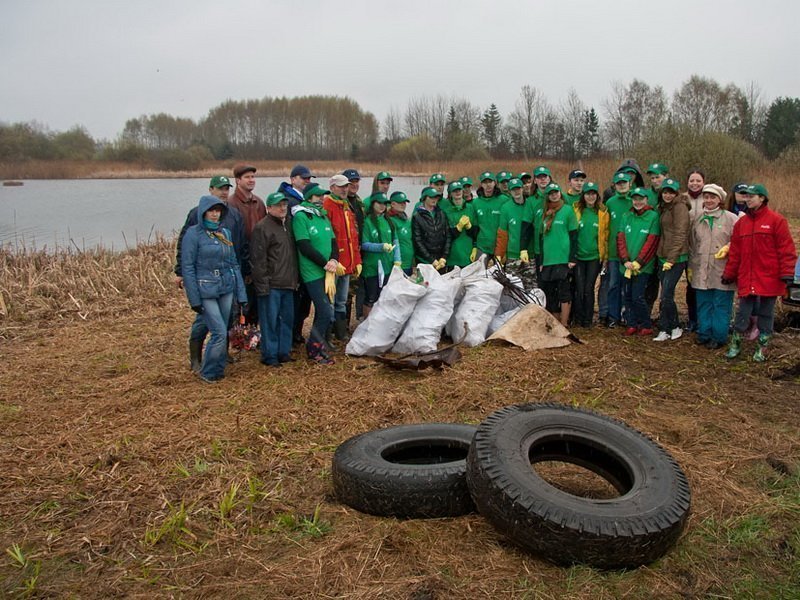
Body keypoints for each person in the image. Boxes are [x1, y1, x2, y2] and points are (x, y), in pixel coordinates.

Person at [174, 175, 247, 372]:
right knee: (204, 322)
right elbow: (185, 246)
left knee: (226, 321)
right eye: (220, 188)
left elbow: (239, 247)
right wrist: (180, 271)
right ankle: (197, 358)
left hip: (226, 279)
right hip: (205, 282)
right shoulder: (195, 216)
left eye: (226, 188)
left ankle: (219, 356)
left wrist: (240, 279)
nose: (224, 192)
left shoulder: (233, 215)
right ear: (211, 190)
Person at [723, 184, 797, 361]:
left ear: (762, 198)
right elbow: (735, 252)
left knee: (766, 312)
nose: (747, 200)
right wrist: (729, 273)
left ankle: (762, 346)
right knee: (743, 312)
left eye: (752, 196)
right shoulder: (742, 224)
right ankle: (736, 343)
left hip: (769, 275)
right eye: (746, 197)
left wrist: (787, 273)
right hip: (747, 276)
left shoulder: (776, 221)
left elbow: (786, 249)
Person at [291, 183, 339, 365]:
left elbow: (333, 242)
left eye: (322, 196)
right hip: (313, 272)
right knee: (325, 310)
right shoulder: (301, 217)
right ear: (309, 197)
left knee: (325, 311)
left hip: (328, 271)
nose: (321, 199)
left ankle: (319, 345)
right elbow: (304, 246)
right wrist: (324, 263)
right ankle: (313, 348)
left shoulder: (323, 216)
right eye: (318, 196)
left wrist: (334, 259)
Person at [250, 192, 299, 367]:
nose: (282, 208)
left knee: (287, 320)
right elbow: (258, 259)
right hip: (271, 284)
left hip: (289, 282)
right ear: (269, 208)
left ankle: (283, 351)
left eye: (284, 205)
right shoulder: (262, 228)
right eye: (278, 205)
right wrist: (262, 285)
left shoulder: (289, 225)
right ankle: (269, 354)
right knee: (269, 321)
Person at [688, 184, 739, 349]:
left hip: (722, 269)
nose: (709, 200)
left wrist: (729, 248)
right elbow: (692, 243)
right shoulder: (697, 218)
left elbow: (739, 243)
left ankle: (719, 336)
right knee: (704, 303)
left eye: (713, 197)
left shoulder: (731, 219)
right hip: (701, 268)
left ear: (720, 199)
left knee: (721, 304)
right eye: (706, 197)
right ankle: (704, 333)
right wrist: (691, 266)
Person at [323, 174, 362, 343]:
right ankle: (328, 333)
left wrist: (357, 260)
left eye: (346, 186)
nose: (345, 189)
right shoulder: (327, 206)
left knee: (342, 300)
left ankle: (341, 333)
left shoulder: (346, 206)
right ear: (332, 188)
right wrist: (330, 262)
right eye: (341, 186)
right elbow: (327, 239)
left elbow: (354, 237)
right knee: (330, 302)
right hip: (334, 264)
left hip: (347, 263)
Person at [617, 187, 660, 336]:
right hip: (626, 266)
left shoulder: (653, 216)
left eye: (641, 199)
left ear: (646, 200)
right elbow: (621, 239)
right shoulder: (626, 216)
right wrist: (625, 260)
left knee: (638, 296)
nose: (638, 202)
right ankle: (631, 323)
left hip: (643, 267)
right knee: (627, 296)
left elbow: (651, 242)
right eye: (635, 199)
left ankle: (646, 324)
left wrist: (639, 262)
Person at [652, 178, 690, 341]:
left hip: (676, 257)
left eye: (671, 192)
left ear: (676, 193)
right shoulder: (663, 208)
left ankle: (675, 325)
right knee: (665, 293)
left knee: (666, 294)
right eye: (665, 192)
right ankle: (665, 328)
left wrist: (672, 258)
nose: (668, 195)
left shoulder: (680, 207)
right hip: (663, 256)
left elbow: (680, 234)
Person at [228, 164, 266, 325]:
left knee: (258, 301)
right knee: (243, 303)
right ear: (238, 180)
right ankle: (239, 336)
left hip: (260, 260)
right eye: (247, 177)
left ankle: (254, 334)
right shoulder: (231, 204)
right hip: (242, 261)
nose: (251, 180)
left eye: (253, 177)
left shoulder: (259, 202)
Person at [539, 183, 578, 327]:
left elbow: (574, 236)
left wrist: (572, 258)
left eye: (556, 192)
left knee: (564, 292)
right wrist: (542, 260)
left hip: (563, 258)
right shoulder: (546, 213)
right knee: (551, 293)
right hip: (549, 259)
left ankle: (564, 323)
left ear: (560, 193)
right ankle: (555, 323)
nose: (554, 195)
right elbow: (542, 238)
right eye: (551, 193)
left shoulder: (568, 210)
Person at [572, 182, 609, 327]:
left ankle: (587, 320)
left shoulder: (602, 213)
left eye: (593, 194)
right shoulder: (576, 210)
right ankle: (578, 318)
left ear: (597, 196)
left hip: (594, 257)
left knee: (589, 288)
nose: (590, 196)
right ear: (583, 195)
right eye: (588, 194)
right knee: (579, 288)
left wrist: (605, 257)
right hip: (578, 256)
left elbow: (605, 236)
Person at [360, 192, 400, 315]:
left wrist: (397, 259)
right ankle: (367, 325)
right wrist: (381, 247)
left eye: (385, 203)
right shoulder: (367, 222)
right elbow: (364, 244)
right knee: (371, 297)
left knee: (385, 297)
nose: (382, 206)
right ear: (373, 204)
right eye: (379, 203)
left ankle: (380, 324)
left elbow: (395, 241)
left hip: (387, 265)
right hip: (372, 266)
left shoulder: (389, 221)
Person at [604, 171, 634, 328]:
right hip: (614, 253)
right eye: (619, 183)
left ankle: (627, 315)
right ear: (614, 186)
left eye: (624, 183)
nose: (622, 185)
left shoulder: (635, 201)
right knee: (613, 285)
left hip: (631, 254)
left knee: (628, 286)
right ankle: (613, 316)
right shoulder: (610, 203)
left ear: (630, 184)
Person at [343, 168, 367, 327]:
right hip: (344, 254)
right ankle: (340, 327)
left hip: (358, 252)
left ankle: (348, 324)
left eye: (356, 181)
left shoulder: (359, 202)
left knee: (354, 289)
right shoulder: (339, 202)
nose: (354, 184)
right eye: (350, 182)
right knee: (344, 293)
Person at [684, 168, 706, 332]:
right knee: (691, 285)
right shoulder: (682, 198)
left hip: (705, 248)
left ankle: (703, 317)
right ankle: (692, 319)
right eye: (692, 180)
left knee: (704, 284)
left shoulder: (709, 198)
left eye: (698, 180)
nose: (695, 183)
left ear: (703, 182)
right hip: (687, 248)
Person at [494, 178, 531, 264]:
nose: (516, 192)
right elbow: (502, 233)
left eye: (518, 189)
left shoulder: (530, 204)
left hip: (529, 254)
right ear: (510, 191)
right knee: (511, 278)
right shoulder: (505, 208)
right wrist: (499, 253)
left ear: (522, 189)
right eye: (513, 190)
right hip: (512, 255)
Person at [412, 187, 451, 269]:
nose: (434, 199)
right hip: (424, 261)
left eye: (436, 197)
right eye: (431, 197)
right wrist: (431, 260)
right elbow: (417, 241)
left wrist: (444, 257)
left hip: (440, 260)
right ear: (424, 198)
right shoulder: (417, 216)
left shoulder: (441, 214)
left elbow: (448, 236)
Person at [442, 181, 478, 268]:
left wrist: (475, 246)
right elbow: (445, 235)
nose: (457, 193)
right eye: (454, 191)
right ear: (450, 194)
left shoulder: (470, 208)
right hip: (452, 257)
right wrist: (458, 228)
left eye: (459, 190)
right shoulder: (446, 211)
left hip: (468, 255)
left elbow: (476, 232)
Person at [472, 172, 507, 257]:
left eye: (490, 182)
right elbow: (474, 227)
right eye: (485, 182)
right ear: (481, 185)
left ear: (494, 183)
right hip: (482, 247)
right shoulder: (476, 203)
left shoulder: (504, 200)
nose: (488, 185)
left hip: (499, 246)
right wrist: (474, 246)